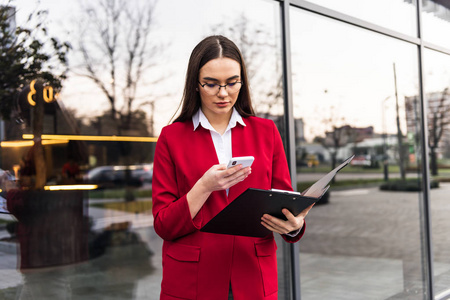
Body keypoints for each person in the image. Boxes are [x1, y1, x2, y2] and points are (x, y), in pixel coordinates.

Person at [152, 35, 313, 300]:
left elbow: (283, 199)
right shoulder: (172, 137)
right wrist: (204, 187)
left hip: (252, 275)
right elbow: (163, 224)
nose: (223, 93)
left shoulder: (267, 132)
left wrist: (294, 225)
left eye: (231, 82)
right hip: (193, 280)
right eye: (211, 84)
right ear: (195, 84)